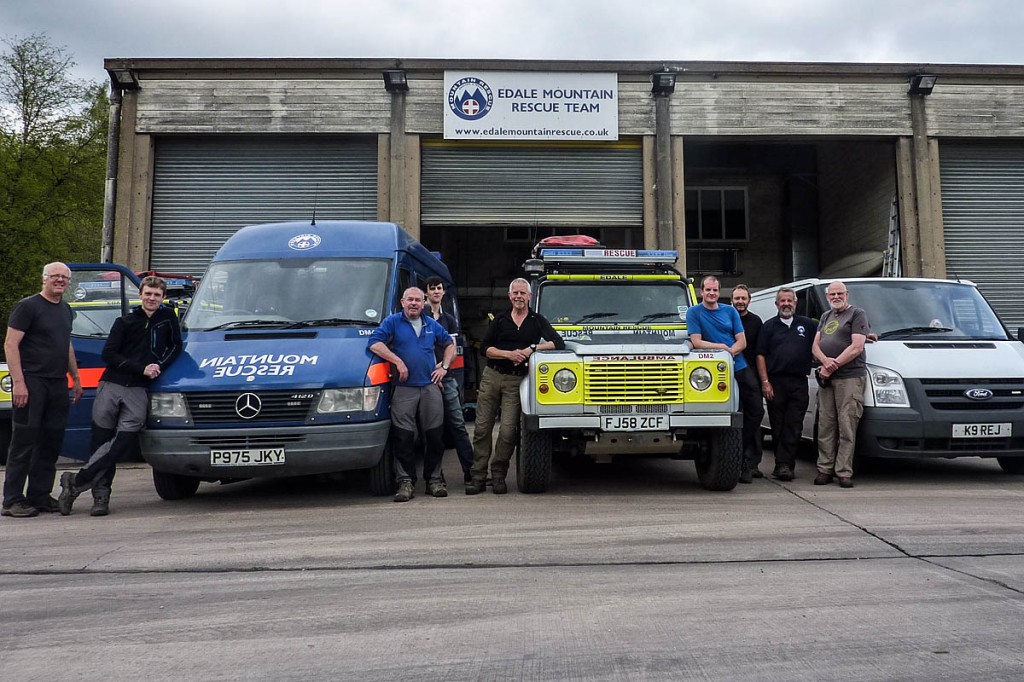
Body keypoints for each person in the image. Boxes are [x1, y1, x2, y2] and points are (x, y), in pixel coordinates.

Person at [58, 276, 182, 516]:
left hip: (139, 389)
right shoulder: (124, 321)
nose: (152, 298)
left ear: (163, 297)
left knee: (122, 442)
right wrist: (141, 368)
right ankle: (100, 497)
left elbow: (176, 347)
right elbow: (109, 354)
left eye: (157, 295)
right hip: (111, 385)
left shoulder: (168, 320)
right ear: (140, 295)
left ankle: (75, 482)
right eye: (148, 294)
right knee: (101, 442)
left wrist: (158, 366)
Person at [467, 278, 564, 495]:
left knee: (509, 431)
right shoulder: (500, 320)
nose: (519, 296)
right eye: (515, 293)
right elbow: (486, 349)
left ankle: (499, 474)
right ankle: (478, 477)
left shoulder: (537, 320)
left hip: (515, 382)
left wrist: (531, 348)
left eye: (523, 293)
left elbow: (558, 342)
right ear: (509, 296)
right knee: (482, 428)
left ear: (530, 296)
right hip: (492, 376)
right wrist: (508, 354)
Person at [2, 263, 83, 518]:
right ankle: (13, 500)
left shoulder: (65, 310)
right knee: (24, 442)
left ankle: (39, 495)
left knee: (51, 441)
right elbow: (11, 344)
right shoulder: (28, 307)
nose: (59, 281)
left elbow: (65, 345)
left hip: (57, 383)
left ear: (68, 283)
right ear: (44, 279)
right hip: (32, 382)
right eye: (55, 277)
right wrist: (19, 382)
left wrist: (76, 377)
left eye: (64, 278)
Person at [368, 287, 455, 502]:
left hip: (430, 386)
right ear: (402, 302)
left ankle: (434, 480)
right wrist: (397, 361)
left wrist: (444, 366)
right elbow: (375, 343)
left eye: (418, 300)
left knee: (435, 435)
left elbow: (450, 345)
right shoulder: (393, 322)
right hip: (404, 388)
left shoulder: (430, 324)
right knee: (404, 436)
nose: (414, 303)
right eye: (410, 300)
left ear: (423, 302)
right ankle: (405, 482)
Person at [686, 275, 761, 483]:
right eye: (708, 290)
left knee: (756, 410)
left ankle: (740, 447)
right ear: (702, 292)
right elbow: (696, 342)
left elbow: (742, 341)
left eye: (715, 290)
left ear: (719, 292)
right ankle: (729, 454)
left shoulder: (729, 311)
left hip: (739, 366)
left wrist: (730, 353)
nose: (711, 293)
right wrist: (721, 349)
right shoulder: (694, 312)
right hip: (713, 370)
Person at [812, 280, 869, 488]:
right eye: (832, 294)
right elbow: (815, 346)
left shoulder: (857, 314)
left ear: (847, 294)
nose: (836, 297)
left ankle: (844, 471)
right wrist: (825, 362)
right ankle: (824, 469)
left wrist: (832, 366)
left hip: (849, 378)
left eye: (839, 293)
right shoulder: (826, 316)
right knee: (826, 425)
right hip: (827, 378)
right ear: (827, 297)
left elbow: (856, 347)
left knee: (847, 425)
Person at [755, 288, 815, 481]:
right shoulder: (768, 326)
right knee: (778, 425)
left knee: (794, 425)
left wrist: (866, 335)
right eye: (783, 301)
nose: (786, 304)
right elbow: (760, 355)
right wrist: (765, 383)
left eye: (790, 300)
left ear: (795, 303)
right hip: (775, 382)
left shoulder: (807, 325)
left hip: (799, 382)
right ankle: (782, 464)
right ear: (777, 304)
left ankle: (786, 465)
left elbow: (827, 339)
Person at [424, 276, 474, 484]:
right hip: (425, 381)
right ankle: (435, 476)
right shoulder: (419, 317)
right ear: (426, 292)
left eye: (439, 288)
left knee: (458, 426)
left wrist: (443, 368)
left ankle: (471, 472)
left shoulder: (449, 320)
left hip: (448, 378)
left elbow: (451, 349)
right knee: (432, 430)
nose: (436, 291)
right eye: (432, 288)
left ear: (444, 292)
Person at [731, 283, 765, 479]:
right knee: (737, 418)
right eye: (737, 298)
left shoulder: (755, 321)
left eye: (743, 298)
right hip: (731, 374)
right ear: (732, 300)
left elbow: (761, 352)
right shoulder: (727, 318)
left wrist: (763, 380)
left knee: (755, 417)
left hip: (751, 373)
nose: (740, 302)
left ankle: (752, 463)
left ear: (749, 301)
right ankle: (737, 461)